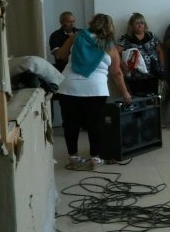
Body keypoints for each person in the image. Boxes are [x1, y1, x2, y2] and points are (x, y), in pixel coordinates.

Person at [56, 14, 131, 169]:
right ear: (109, 27)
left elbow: (60, 55)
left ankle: (73, 158)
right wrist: (125, 93)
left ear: (91, 23)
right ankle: (95, 159)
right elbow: (116, 73)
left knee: (70, 124)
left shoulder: (77, 36)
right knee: (95, 124)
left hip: (68, 86)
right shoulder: (109, 45)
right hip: (96, 89)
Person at [117, 12, 165, 96]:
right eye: (137, 23)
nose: (140, 25)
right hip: (135, 76)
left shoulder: (151, 36)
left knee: (153, 98)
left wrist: (161, 66)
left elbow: (160, 51)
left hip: (153, 74)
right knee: (138, 99)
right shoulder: (125, 38)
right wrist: (123, 66)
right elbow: (116, 53)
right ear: (131, 25)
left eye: (142, 23)